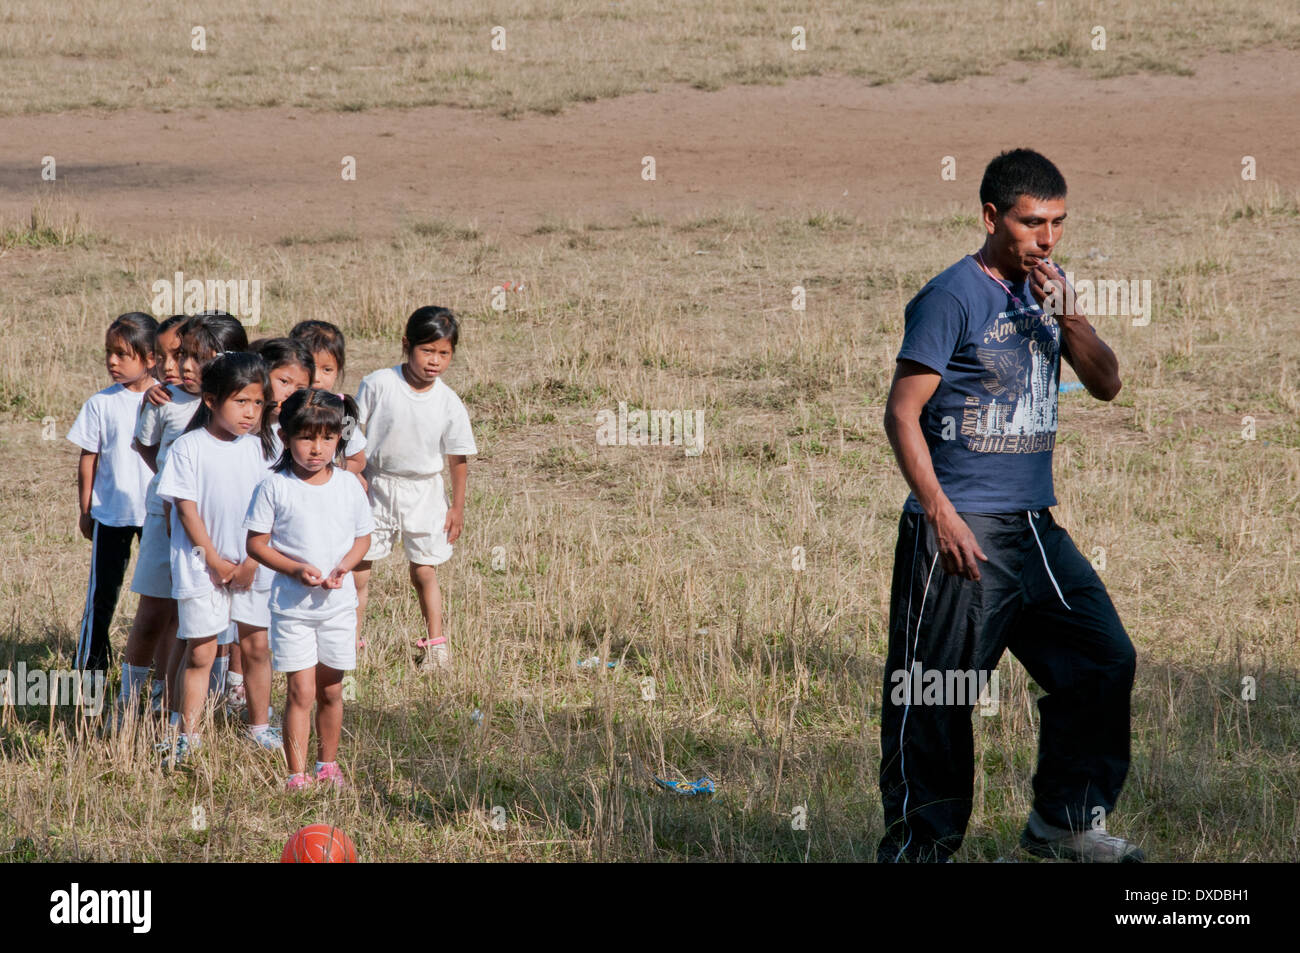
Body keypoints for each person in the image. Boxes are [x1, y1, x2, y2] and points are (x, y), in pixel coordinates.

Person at [878, 148, 1141, 863]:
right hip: (960, 529)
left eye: (1057, 221)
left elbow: (1109, 382)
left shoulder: (1049, 292)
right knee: (936, 695)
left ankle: (1063, 823)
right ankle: (918, 849)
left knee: (1102, 659)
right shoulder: (951, 296)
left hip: (1031, 525)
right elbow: (902, 414)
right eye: (1032, 223)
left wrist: (1071, 316)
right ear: (992, 217)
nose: (1047, 238)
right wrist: (940, 511)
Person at [122, 313, 248, 729]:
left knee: (202, 622)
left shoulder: (239, 409)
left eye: (198, 357)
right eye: (182, 356)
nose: (185, 367)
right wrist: (169, 483)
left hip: (220, 530)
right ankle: (128, 704)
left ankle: (193, 704)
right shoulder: (166, 400)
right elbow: (147, 448)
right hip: (167, 524)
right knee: (155, 614)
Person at [245, 389, 373, 790]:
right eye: (306, 438)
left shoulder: (350, 485)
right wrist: (296, 569)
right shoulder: (274, 487)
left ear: (339, 438)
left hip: (338, 606)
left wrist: (344, 568)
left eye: (327, 439)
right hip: (292, 610)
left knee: (332, 690)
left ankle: (327, 766)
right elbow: (257, 544)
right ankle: (296, 774)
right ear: (285, 437)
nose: (316, 449)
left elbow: (363, 539)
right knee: (300, 690)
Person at [156, 352, 275, 765]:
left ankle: (259, 726)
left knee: (257, 647)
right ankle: (186, 734)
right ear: (210, 400)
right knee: (202, 652)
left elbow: (271, 511)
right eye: (241, 401)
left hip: (253, 566)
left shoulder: (262, 448)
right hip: (200, 568)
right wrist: (215, 562)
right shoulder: (188, 448)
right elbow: (186, 511)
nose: (250, 412)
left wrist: (251, 562)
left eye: (258, 403)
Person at [352, 307, 477, 671]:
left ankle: (436, 645)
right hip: (375, 486)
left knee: (424, 569)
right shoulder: (378, 383)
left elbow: (458, 457)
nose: (434, 361)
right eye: (427, 351)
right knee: (359, 567)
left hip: (424, 491)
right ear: (407, 345)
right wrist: (352, 475)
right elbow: (352, 432)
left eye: (444, 353)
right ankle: (351, 643)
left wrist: (457, 507)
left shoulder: (449, 401)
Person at [68, 311, 159, 676]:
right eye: (109, 352)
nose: (112, 361)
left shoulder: (168, 400)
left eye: (122, 354)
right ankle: (91, 666)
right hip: (112, 514)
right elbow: (88, 459)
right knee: (102, 594)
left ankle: (156, 668)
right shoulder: (100, 403)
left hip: (157, 514)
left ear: (151, 358)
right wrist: (86, 509)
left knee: (160, 595)